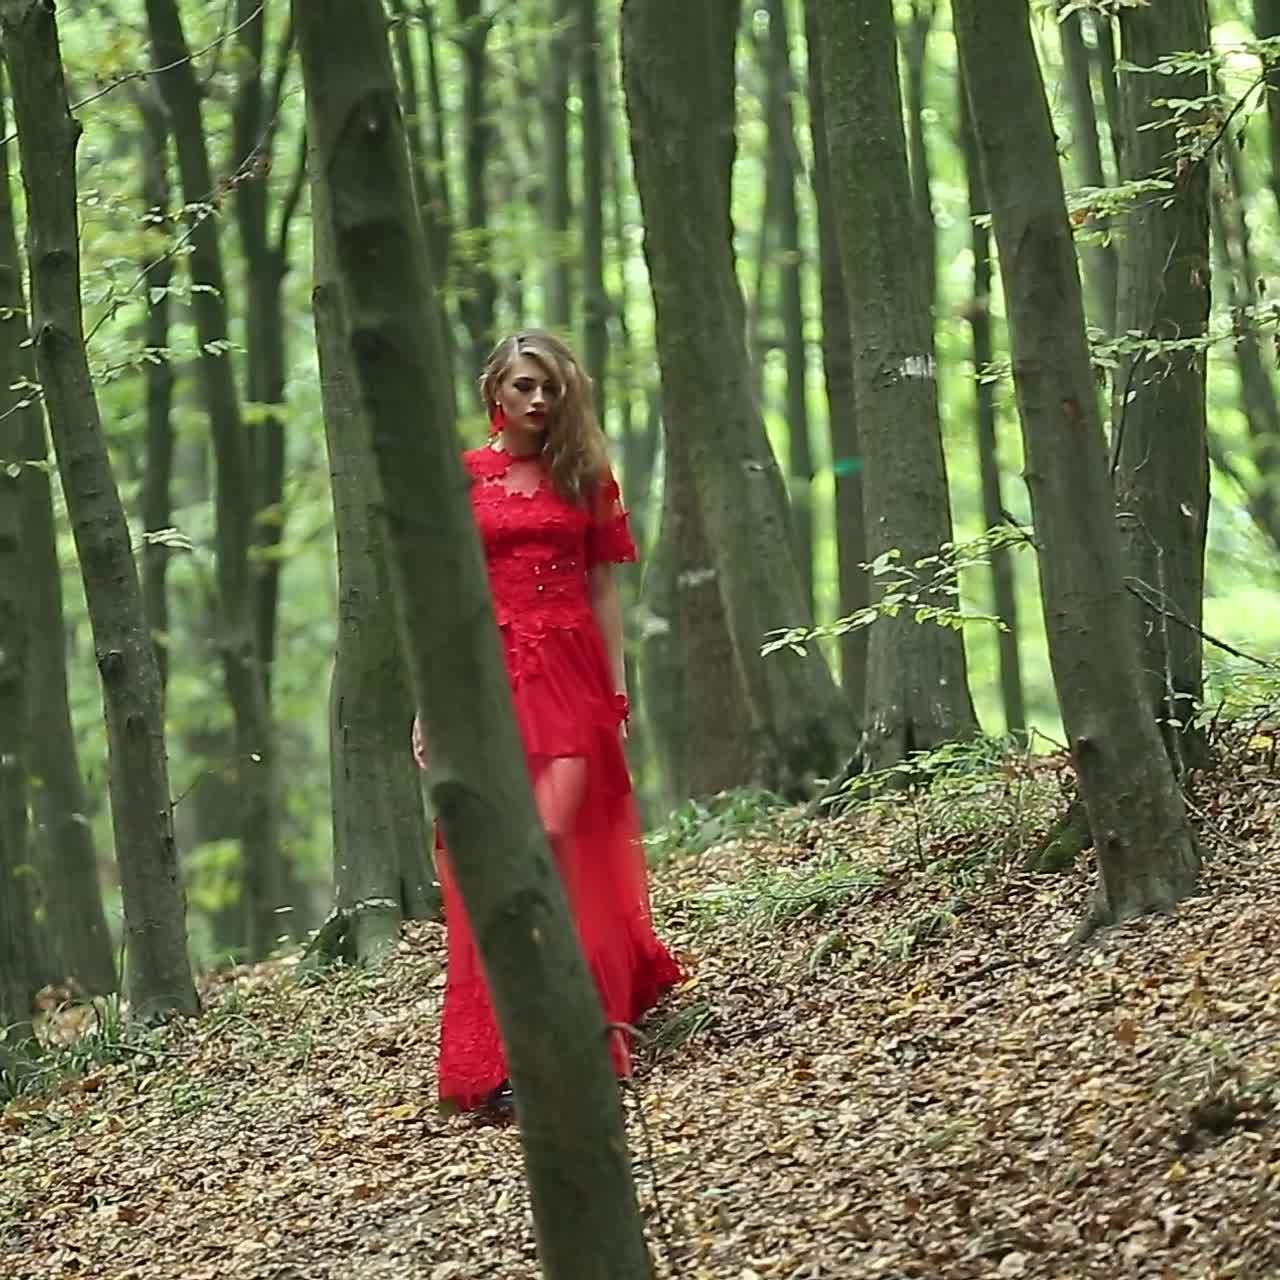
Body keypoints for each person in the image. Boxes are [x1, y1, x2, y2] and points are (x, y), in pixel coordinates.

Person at [413, 329, 682, 1118]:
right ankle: (501, 1053)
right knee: (491, 855)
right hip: (488, 688)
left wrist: (617, 694)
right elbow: (445, 605)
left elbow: (605, 591)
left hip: (569, 683)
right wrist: (431, 704)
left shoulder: (585, 475)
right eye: (525, 385)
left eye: (551, 388)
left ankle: (591, 1028)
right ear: (495, 389)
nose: (538, 399)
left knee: (556, 841)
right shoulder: (464, 479)